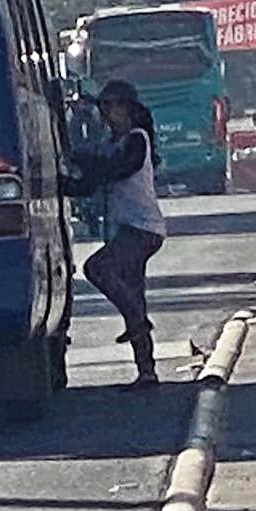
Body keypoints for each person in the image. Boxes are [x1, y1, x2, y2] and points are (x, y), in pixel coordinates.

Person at [61, 79, 167, 389]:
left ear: (129, 109)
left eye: (112, 106)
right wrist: (63, 183)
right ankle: (146, 371)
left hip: (143, 228)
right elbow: (90, 184)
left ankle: (136, 319)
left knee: (98, 268)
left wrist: (86, 160)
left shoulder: (137, 140)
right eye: (103, 107)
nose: (107, 114)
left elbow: (118, 169)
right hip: (126, 228)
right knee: (134, 292)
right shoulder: (111, 143)